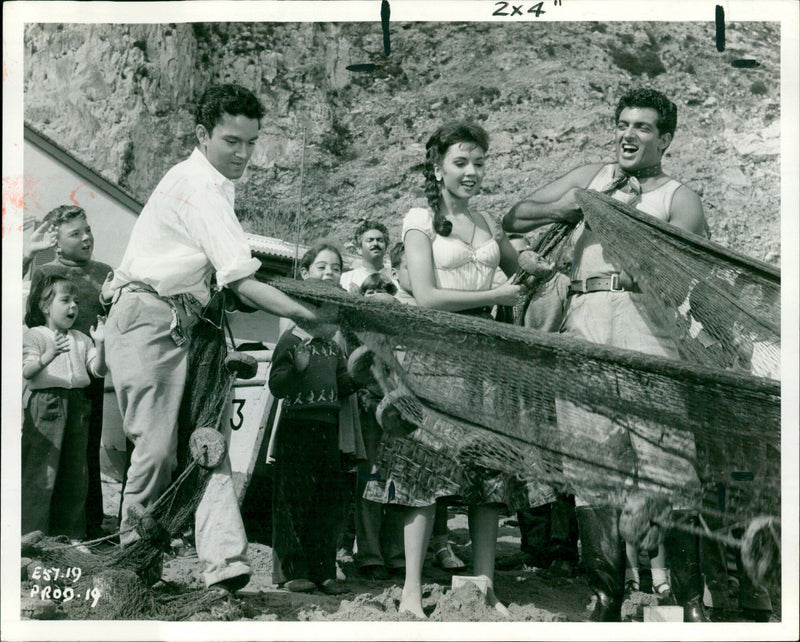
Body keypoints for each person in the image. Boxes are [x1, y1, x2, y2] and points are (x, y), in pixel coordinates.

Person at [103, 84, 320, 595]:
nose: (243, 154)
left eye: (251, 142)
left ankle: (224, 562)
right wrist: (313, 315)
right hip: (147, 317)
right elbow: (242, 281)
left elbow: (226, 281)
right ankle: (133, 567)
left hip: (191, 321)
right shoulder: (197, 186)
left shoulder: (218, 185)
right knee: (157, 451)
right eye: (231, 142)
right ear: (202, 135)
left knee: (208, 440)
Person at [503, 87, 709, 622]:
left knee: (668, 461)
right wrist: (571, 206)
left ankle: (690, 601)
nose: (628, 134)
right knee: (591, 460)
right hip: (584, 321)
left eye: (642, 127)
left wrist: (617, 216)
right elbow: (514, 217)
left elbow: (682, 273)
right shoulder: (590, 176)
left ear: (665, 139)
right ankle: (604, 598)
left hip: (648, 327)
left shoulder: (680, 196)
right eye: (623, 124)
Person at [364, 121, 523, 618]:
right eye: (461, 162)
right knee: (425, 466)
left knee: (488, 469)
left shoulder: (488, 220)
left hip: (487, 358)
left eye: (479, 162)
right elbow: (428, 296)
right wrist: (497, 293)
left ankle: (484, 587)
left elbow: (520, 272)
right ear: (437, 168)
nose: (472, 171)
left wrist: (532, 268)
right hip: (434, 354)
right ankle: (412, 590)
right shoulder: (419, 219)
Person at [268, 243, 355, 595]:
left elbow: (342, 386)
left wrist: (359, 376)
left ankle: (323, 570)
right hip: (297, 427)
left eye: (335, 267)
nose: (329, 272)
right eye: (321, 266)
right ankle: (291, 570)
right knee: (292, 501)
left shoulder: (333, 345)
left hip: (328, 429)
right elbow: (277, 386)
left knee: (326, 501)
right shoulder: (291, 339)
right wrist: (297, 370)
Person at [28, 205, 115, 540]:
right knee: (48, 453)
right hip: (52, 373)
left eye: (87, 230)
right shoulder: (45, 271)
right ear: (58, 242)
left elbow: (113, 319)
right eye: (75, 234)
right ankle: (41, 525)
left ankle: (88, 525)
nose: (86, 238)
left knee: (86, 451)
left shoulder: (105, 272)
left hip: (90, 369)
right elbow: (31, 319)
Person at [387, 241, 467, 573]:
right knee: (395, 478)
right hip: (396, 401)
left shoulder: (438, 307)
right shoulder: (389, 305)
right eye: (411, 267)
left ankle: (441, 544)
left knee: (436, 476)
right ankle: (390, 551)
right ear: (395, 273)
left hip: (432, 402)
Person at [22, 274, 107, 540]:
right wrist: (49, 355)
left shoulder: (82, 338)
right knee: (41, 470)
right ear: (45, 306)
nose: (73, 306)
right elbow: (27, 371)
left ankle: (70, 536)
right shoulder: (35, 335)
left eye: (76, 302)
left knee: (76, 473)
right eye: (66, 300)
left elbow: (99, 370)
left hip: (78, 405)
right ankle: (32, 535)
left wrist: (101, 343)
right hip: (45, 403)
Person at [340, 221, 392, 293]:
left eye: (380, 240)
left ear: (386, 248)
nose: (375, 243)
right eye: (370, 240)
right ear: (359, 249)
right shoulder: (345, 280)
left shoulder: (397, 277)